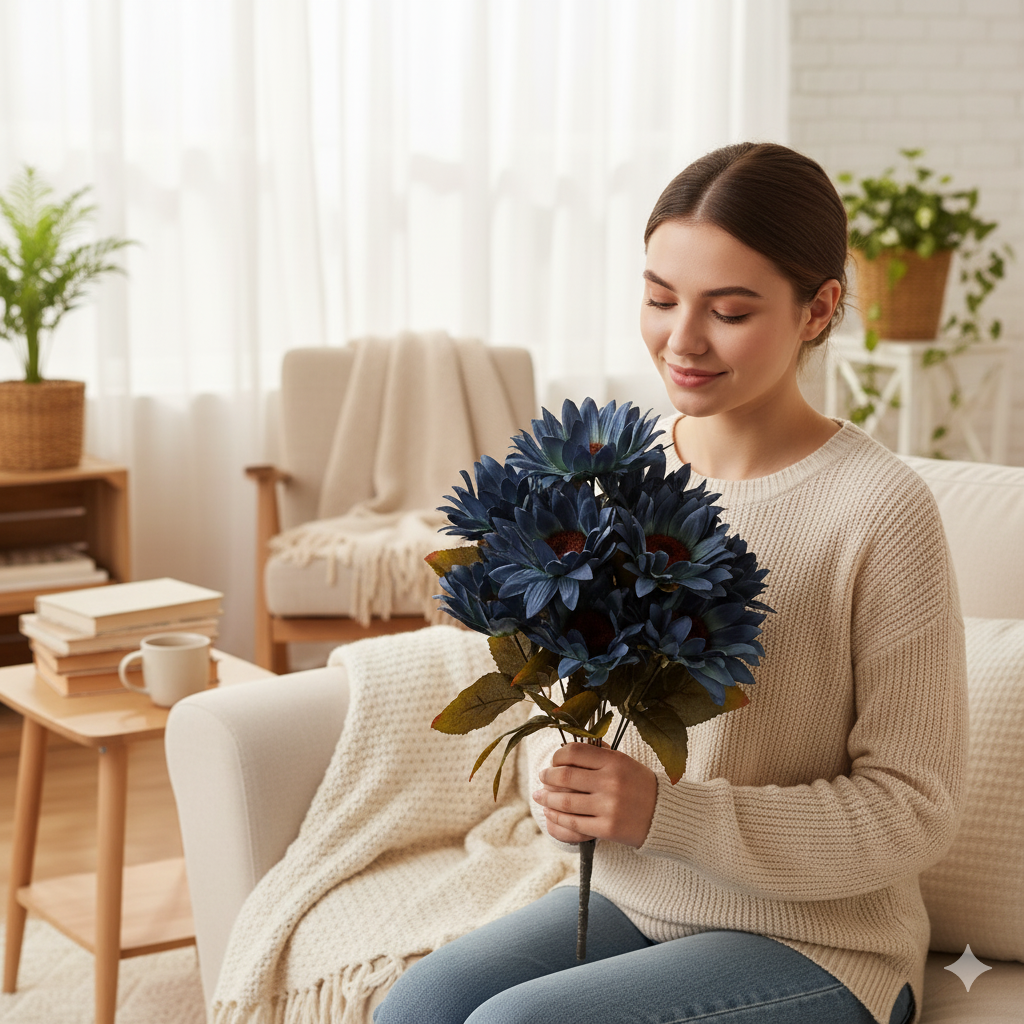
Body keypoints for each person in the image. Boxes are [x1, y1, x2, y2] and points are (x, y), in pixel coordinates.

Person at [374, 142, 966, 1024]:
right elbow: (570, 693)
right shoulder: (614, 470)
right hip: (634, 900)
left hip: (824, 943)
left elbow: (913, 810)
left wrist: (666, 813)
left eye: (728, 311)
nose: (681, 340)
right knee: (417, 1005)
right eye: (659, 299)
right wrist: (559, 780)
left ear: (818, 309)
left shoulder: (881, 510)